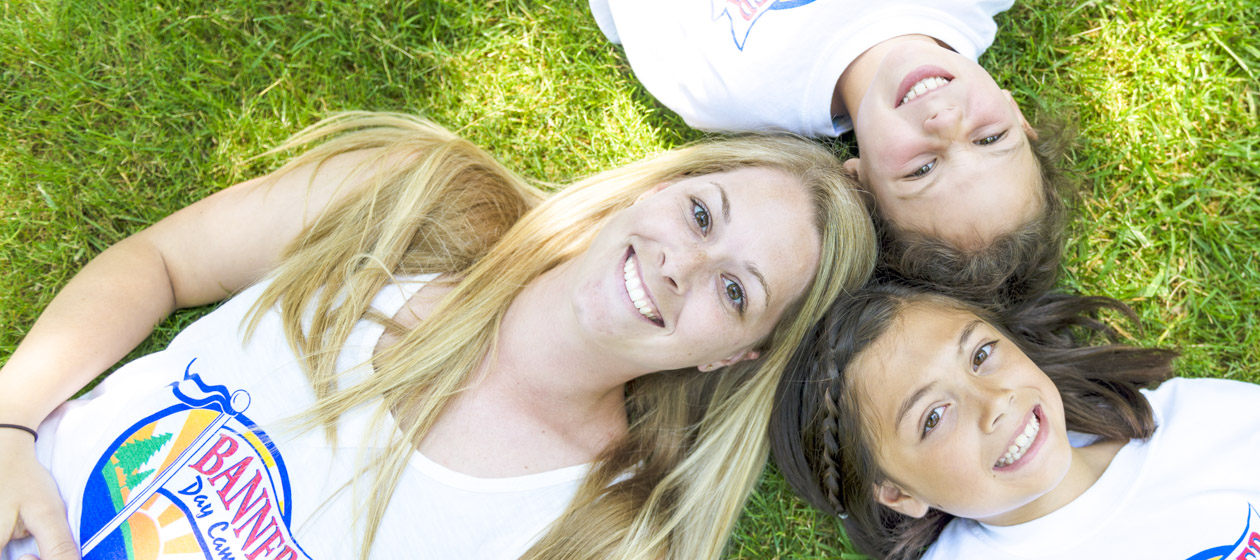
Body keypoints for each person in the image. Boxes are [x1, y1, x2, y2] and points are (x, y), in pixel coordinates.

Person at [0, 112, 876, 560]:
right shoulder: (415, 202)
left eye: (734, 290)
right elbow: (163, 260)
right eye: (699, 212)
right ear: (652, 190)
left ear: (730, 356)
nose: (684, 264)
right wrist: (8, 423)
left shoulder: (604, 530)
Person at [770, 283, 1260, 560]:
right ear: (897, 493)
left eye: (981, 353)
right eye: (935, 416)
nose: (995, 402)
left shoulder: (1214, 424)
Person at [589, 0, 1068, 308]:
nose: (944, 123)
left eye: (923, 169)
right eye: (990, 139)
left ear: (860, 183)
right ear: (1016, 114)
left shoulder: (727, 90)